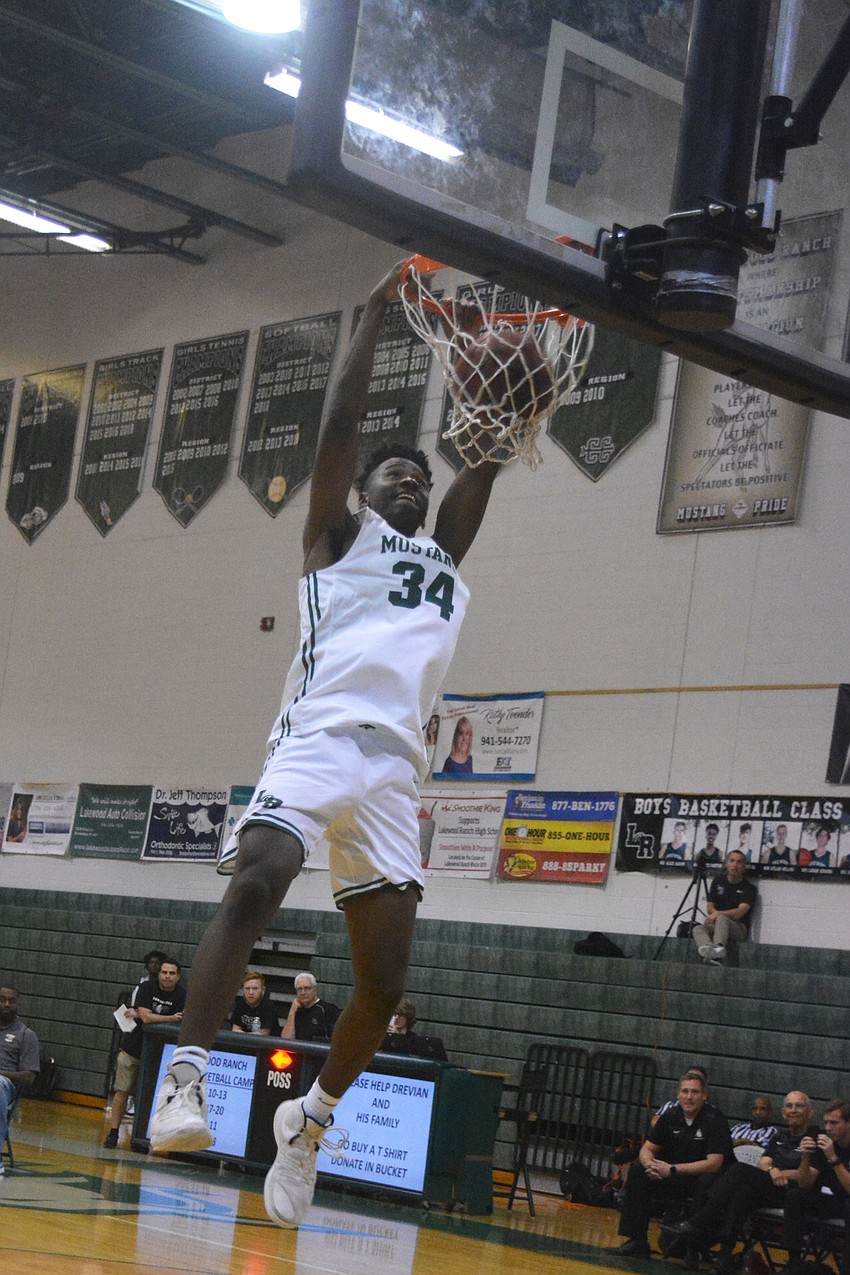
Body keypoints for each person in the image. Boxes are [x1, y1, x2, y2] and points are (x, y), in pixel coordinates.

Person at [147, 261, 501, 1228]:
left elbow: (481, 471)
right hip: (318, 739)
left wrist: (508, 410)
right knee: (258, 876)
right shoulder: (336, 539)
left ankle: (310, 1121)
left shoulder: (438, 559)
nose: (413, 482)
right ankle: (185, 1075)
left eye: (421, 478)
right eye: (399, 471)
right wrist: (380, 313)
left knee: (385, 984)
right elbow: (340, 432)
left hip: (394, 772)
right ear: (362, 488)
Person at [664, 1091, 817, 1274]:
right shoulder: (779, 1136)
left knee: (740, 1170)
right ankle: (724, 1256)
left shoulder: (815, 1137)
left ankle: (699, 1222)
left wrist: (779, 1172)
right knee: (742, 1192)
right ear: (783, 1112)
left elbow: (808, 1175)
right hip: (771, 1188)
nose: (793, 1110)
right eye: (789, 1106)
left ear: (810, 1112)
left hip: (796, 1195)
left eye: (799, 1106)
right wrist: (772, 1170)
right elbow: (763, 1163)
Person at [604, 1071, 731, 1258]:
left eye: (694, 1092)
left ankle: (693, 1246)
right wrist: (650, 1165)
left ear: (704, 1095)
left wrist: (671, 1170)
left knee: (707, 1181)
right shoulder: (671, 1116)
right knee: (639, 1171)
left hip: (703, 1181)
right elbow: (646, 1150)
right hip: (675, 1178)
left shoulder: (715, 1119)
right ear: (678, 1094)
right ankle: (637, 1241)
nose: (689, 1097)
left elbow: (714, 1164)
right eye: (685, 1091)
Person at [103, 958, 185, 1149]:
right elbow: (146, 1017)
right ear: (159, 974)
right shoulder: (147, 987)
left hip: (158, 1054)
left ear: (178, 976)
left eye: (172, 973)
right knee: (121, 1091)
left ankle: (140, 1137)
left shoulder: (182, 995)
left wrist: (160, 1018)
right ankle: (113, 1132)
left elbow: (181, 1020)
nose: (167, 976)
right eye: (164, 972)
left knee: (147, 1095)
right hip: (132, 1048)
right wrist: (170, 1018)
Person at [782, 1098, 850, 1275]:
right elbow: (805, 1184)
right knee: (795, 1196)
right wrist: (806, 1157)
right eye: (826, 1122)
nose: (828, 1128)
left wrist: (833, 1158)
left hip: (846, 1201)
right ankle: (794, 1261)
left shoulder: (833, 1149)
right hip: (828, 1200)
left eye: (834, 1123)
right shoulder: (825, 1142)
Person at [692, 849, 757, 965]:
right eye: (732, 861)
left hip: (739, 928)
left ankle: (718, 951)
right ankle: (710, 948)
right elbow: (710, 907)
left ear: (743, 866)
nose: (735, 865)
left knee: (722, 919)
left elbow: (740, 912)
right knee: (697, 928)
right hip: (718, 925)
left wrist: (717, 914)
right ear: (726, 863)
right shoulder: (718, 881)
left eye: (739, 862)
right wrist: (714, 914)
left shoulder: (749, 888)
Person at [0, 986, 40, 1175]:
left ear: (17, 1004)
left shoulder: (26, 1035)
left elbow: (30, 1077)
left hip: (5, 1087)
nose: (6, 1004)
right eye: (2, 999)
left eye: (11, 1000)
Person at [378, 997, 447, 1060]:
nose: (396, 1018)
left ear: (407, 1017)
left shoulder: (415, 1041)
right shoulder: (382, 1037)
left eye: (401, 1015)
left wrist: (398, 1038)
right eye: (394, 1014)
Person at [280, 973, 340, 1042]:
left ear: (315, 990)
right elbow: (286, 1040)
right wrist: (292, 1012)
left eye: (307, 988)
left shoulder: (328, 1010)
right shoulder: (295, 1010)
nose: (303, 992)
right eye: (299, 989)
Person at [230, 971, 280, 1036]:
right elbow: (235, 1029)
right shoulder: (240, 1003)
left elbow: (263, 1034)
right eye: (247, 988)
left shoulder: (268, 1006)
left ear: (263, 990)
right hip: (242, 1042)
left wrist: (243, 1035)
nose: (250, 992)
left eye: (255, 989)